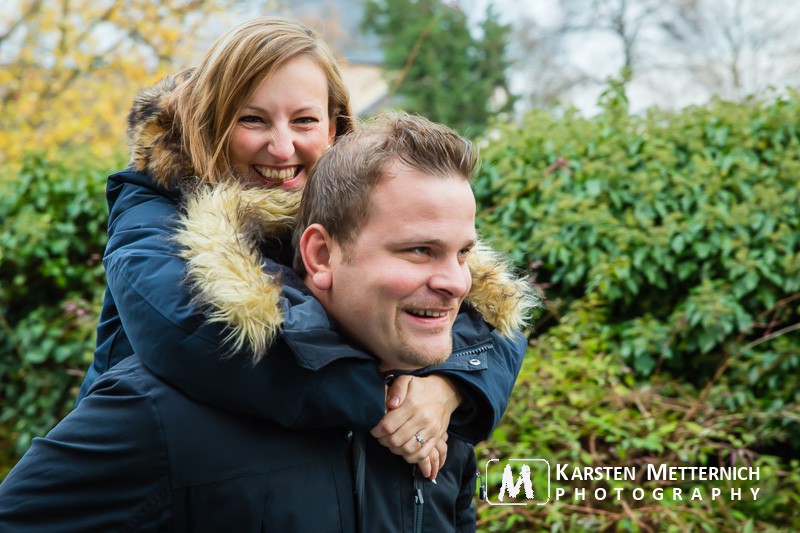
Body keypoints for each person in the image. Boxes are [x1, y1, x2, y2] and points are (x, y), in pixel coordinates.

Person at [0, 112, 530, 532]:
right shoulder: (159, 415)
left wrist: (448, 392)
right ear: (320, 255)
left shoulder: (437, 417)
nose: (457, 283)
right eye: (419, 251)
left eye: (463, 254)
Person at [78, 16, 534, 478]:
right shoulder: (154, 211)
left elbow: (492, 309)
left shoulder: (356, 210)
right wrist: (383, 398)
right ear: (212, 124)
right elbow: (194, 332)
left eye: (304, 121)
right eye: (252, 119)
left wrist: (449, 384)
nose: (281, 147)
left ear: (334, 128)